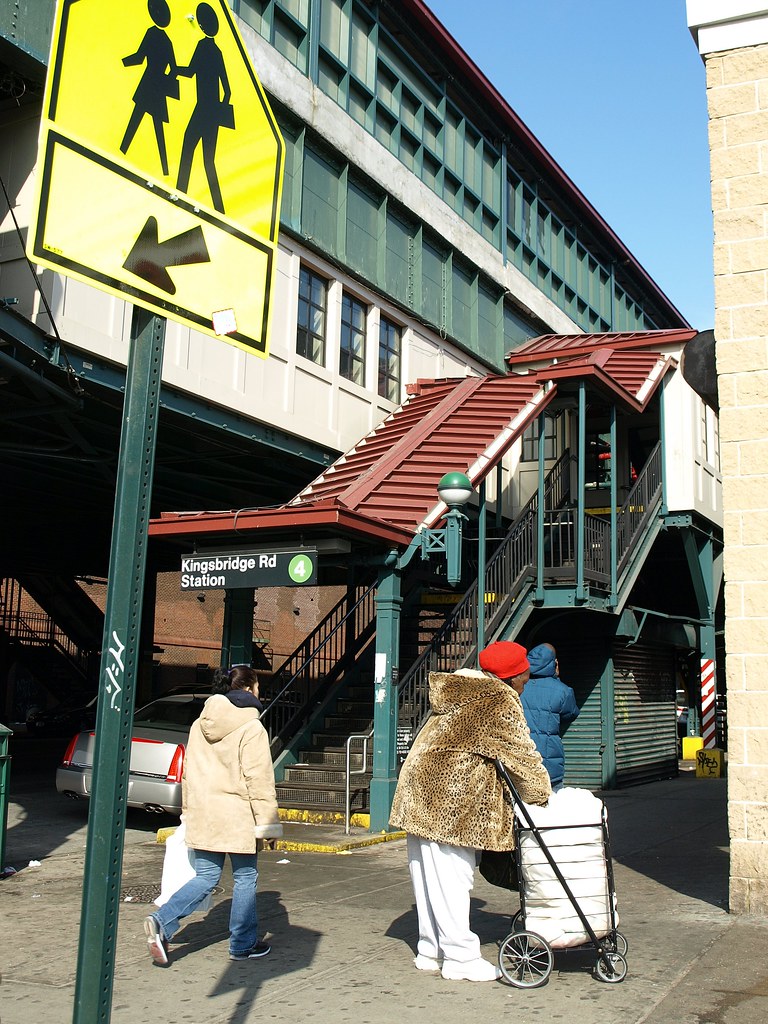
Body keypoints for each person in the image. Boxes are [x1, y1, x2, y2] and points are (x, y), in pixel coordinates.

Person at [389, 641, 551, 982]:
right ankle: (461, 958)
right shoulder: (498, 698)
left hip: (418, 792)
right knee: (452, 877)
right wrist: (542, 795)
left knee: (427, 875)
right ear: (514, 674)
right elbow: (520, 755)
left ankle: (430, 950)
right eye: (525, 676)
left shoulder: (460, 691)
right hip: (450, 799)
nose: (526, 682)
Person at [144, 664, 282, 965]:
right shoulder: (252, 727)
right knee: (246, 876)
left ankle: (162, 920)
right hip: (238, 815)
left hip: (206, 812)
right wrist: (268, 824)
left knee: (206, 876)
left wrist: (189, 811)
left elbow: (189, 774)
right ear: (249, 687)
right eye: (257, 685)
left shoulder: (200, 723)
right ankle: (243, 944)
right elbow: (258, 779)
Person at [520, 643, 580, 791]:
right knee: (552, 806)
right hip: (549, 764)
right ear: (554, 663)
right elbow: (570, 714)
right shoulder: (563, 691)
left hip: (521, 760)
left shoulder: (516, 687)